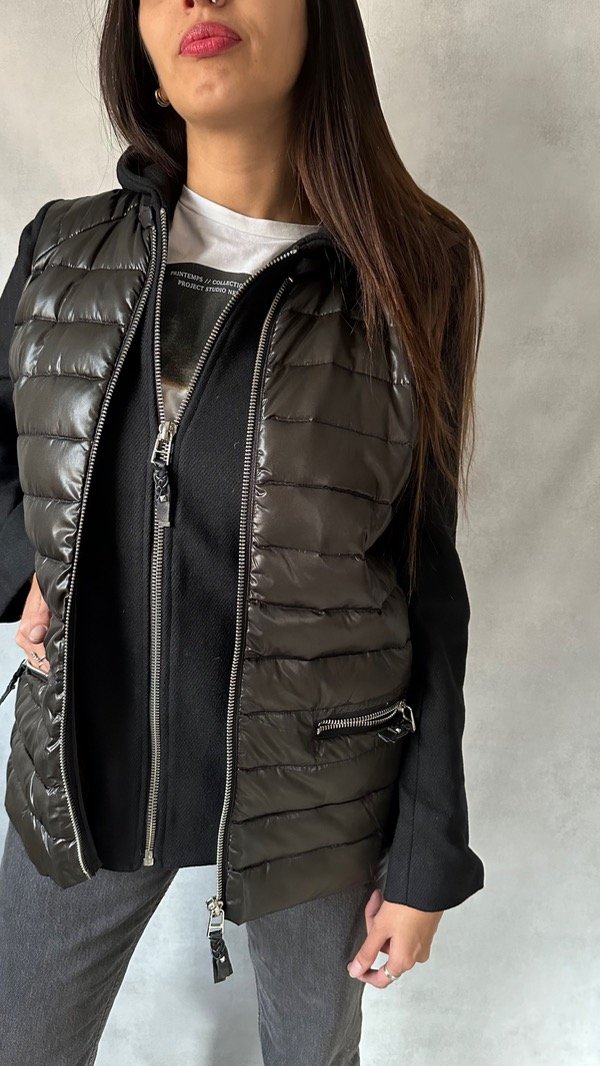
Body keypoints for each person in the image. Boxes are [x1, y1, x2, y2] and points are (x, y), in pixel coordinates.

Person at [0, 0, 486, 1062]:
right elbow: (9, 453)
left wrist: (426, 854)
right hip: (86, 757)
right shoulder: (64, 247)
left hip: (322, 787)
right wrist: (27, 567)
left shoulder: (415, 265)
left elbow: (424, 575)